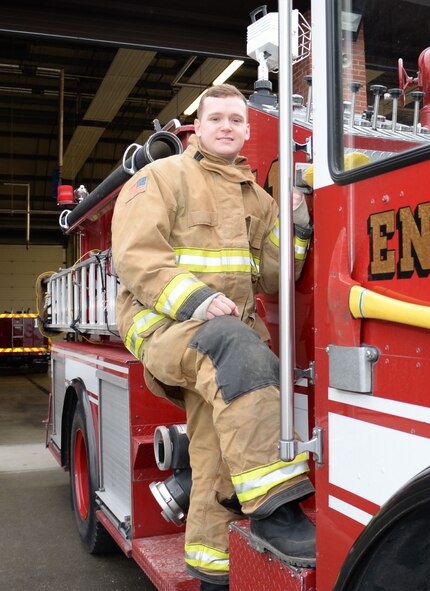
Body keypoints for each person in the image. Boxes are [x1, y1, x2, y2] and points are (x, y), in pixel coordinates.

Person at [111, 83, 315, 591]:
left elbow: (274, 280)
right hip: (165, 327)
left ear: (247, 130)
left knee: (216, 461)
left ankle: (212, 577)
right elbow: (136, 256)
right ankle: (278, 509)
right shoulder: (161, 176)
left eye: (236, 120)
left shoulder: (260, 200)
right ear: (197, 127)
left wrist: (296, 224)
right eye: (216, 118)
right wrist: (195, 301)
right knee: (231, 344)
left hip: (227, 345)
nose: (226, 126)